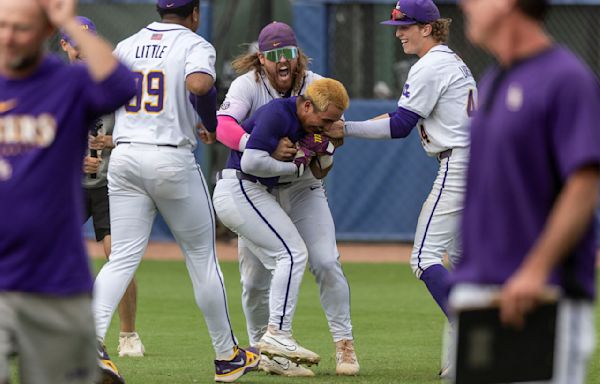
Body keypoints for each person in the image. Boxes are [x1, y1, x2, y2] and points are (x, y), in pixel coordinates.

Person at [91, 0, 259, 382]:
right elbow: (200, 83)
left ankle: (89, 340)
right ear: (194, 13)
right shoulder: (194, 43)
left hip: (126, 155)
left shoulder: (128, 43)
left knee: (121, 259)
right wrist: (209, 120)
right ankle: (226, 356)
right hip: (169, 157)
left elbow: (103, 91)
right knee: (202, 259)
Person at [447, 0, 600, 382]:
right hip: (479, 293)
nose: (465, 4)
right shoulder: (495, 78)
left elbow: (584, 184)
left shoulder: (567, 79)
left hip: (540, 299)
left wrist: (535, 271)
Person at [0, 0, 136, 382]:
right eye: (2, 25)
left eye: (21, 27)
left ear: (45, 34)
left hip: (55, 280)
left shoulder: (68, 85)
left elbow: (122, 84)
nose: (9, 36)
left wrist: (68, 23)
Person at [215, 21, 359, 376]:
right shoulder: (248, 84)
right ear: (260, 59)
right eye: (274, 55)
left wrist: (331, 142)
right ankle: (267, 351)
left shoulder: (317, 85)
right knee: (253, 282)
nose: (282, 62)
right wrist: (264, 145)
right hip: (256, 185)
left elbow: (332, 135)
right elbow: (223, 127)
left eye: (288, 54)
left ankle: (344, 344)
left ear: (298, 56)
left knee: (325, 261)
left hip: (302, 185)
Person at [326, 0, 475, 320]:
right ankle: (474, 354)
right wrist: (348, 127)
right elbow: (401, 115)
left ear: (427, 28)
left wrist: (347, 128)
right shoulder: (449, 60)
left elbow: (398, 127)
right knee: (462, 263)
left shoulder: (430, 65)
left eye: (405, 27)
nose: (399, 34)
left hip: (459, 164)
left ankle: (475, 331)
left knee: (423, 258)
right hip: (474, 162)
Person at [60, 15, 145, 359]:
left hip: (110, 183)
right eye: (74, 43)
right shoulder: (56, 83)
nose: (81, 51)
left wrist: (114, 142)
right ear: (64, 44)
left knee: (116, 254)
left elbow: (140, 126)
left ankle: (128, 335)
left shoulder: (111, 81)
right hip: (70, 185)